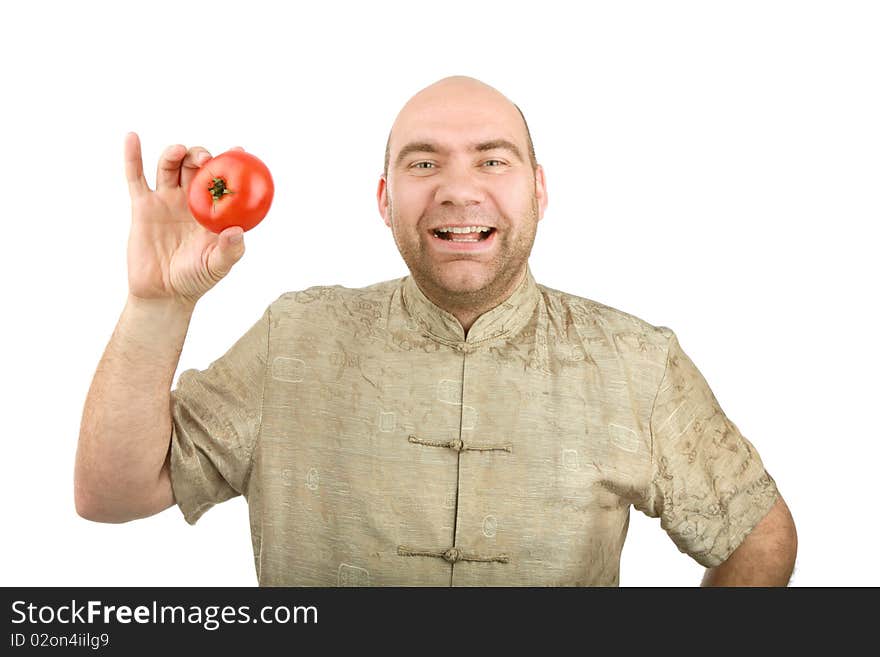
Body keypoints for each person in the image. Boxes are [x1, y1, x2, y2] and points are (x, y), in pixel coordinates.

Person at [75, 75, 797, 586]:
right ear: (385, 200)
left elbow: (758, 530)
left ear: (538, 191)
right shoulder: (292, 338)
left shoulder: (638, 361)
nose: (458, 187)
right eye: (424, 163)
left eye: (493, 159)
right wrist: (157, 302)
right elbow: (112, 493)